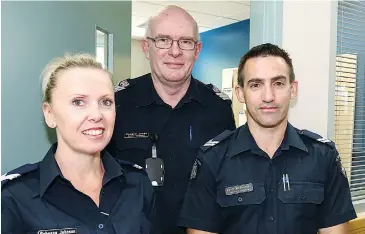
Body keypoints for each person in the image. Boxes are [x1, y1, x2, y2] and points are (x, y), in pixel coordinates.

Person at [178, 43, 357, 234]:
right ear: (240, 93)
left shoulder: (323, 156)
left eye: (278, 83)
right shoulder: (212, 159)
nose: (268, 96)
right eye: (256, 85)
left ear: (293, 89)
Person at [106, 5, 235, 234]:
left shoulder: (219, 108)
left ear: (197, 50)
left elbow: (228, 183)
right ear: (147, 47)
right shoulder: (117, 104)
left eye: (185, 42)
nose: (175, 52)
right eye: (164, 40)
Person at [1, 53, 155, 234]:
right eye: (78, 102)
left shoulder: (138, 183)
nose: (96, 115)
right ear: (49, 114)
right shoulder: (14, 195)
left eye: (106, 102)